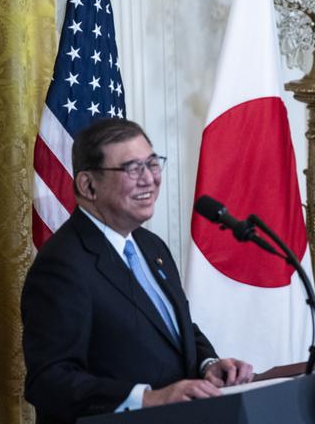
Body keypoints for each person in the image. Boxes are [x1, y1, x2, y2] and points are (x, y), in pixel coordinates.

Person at [22, 119, 254, 424]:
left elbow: (175, 329)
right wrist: (145, 398)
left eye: (152, 163)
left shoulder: (151, 245)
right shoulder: (62, 265)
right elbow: (49, 380)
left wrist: (207, 364)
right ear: (88, 185)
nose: (149, 179)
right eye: (132, 169)